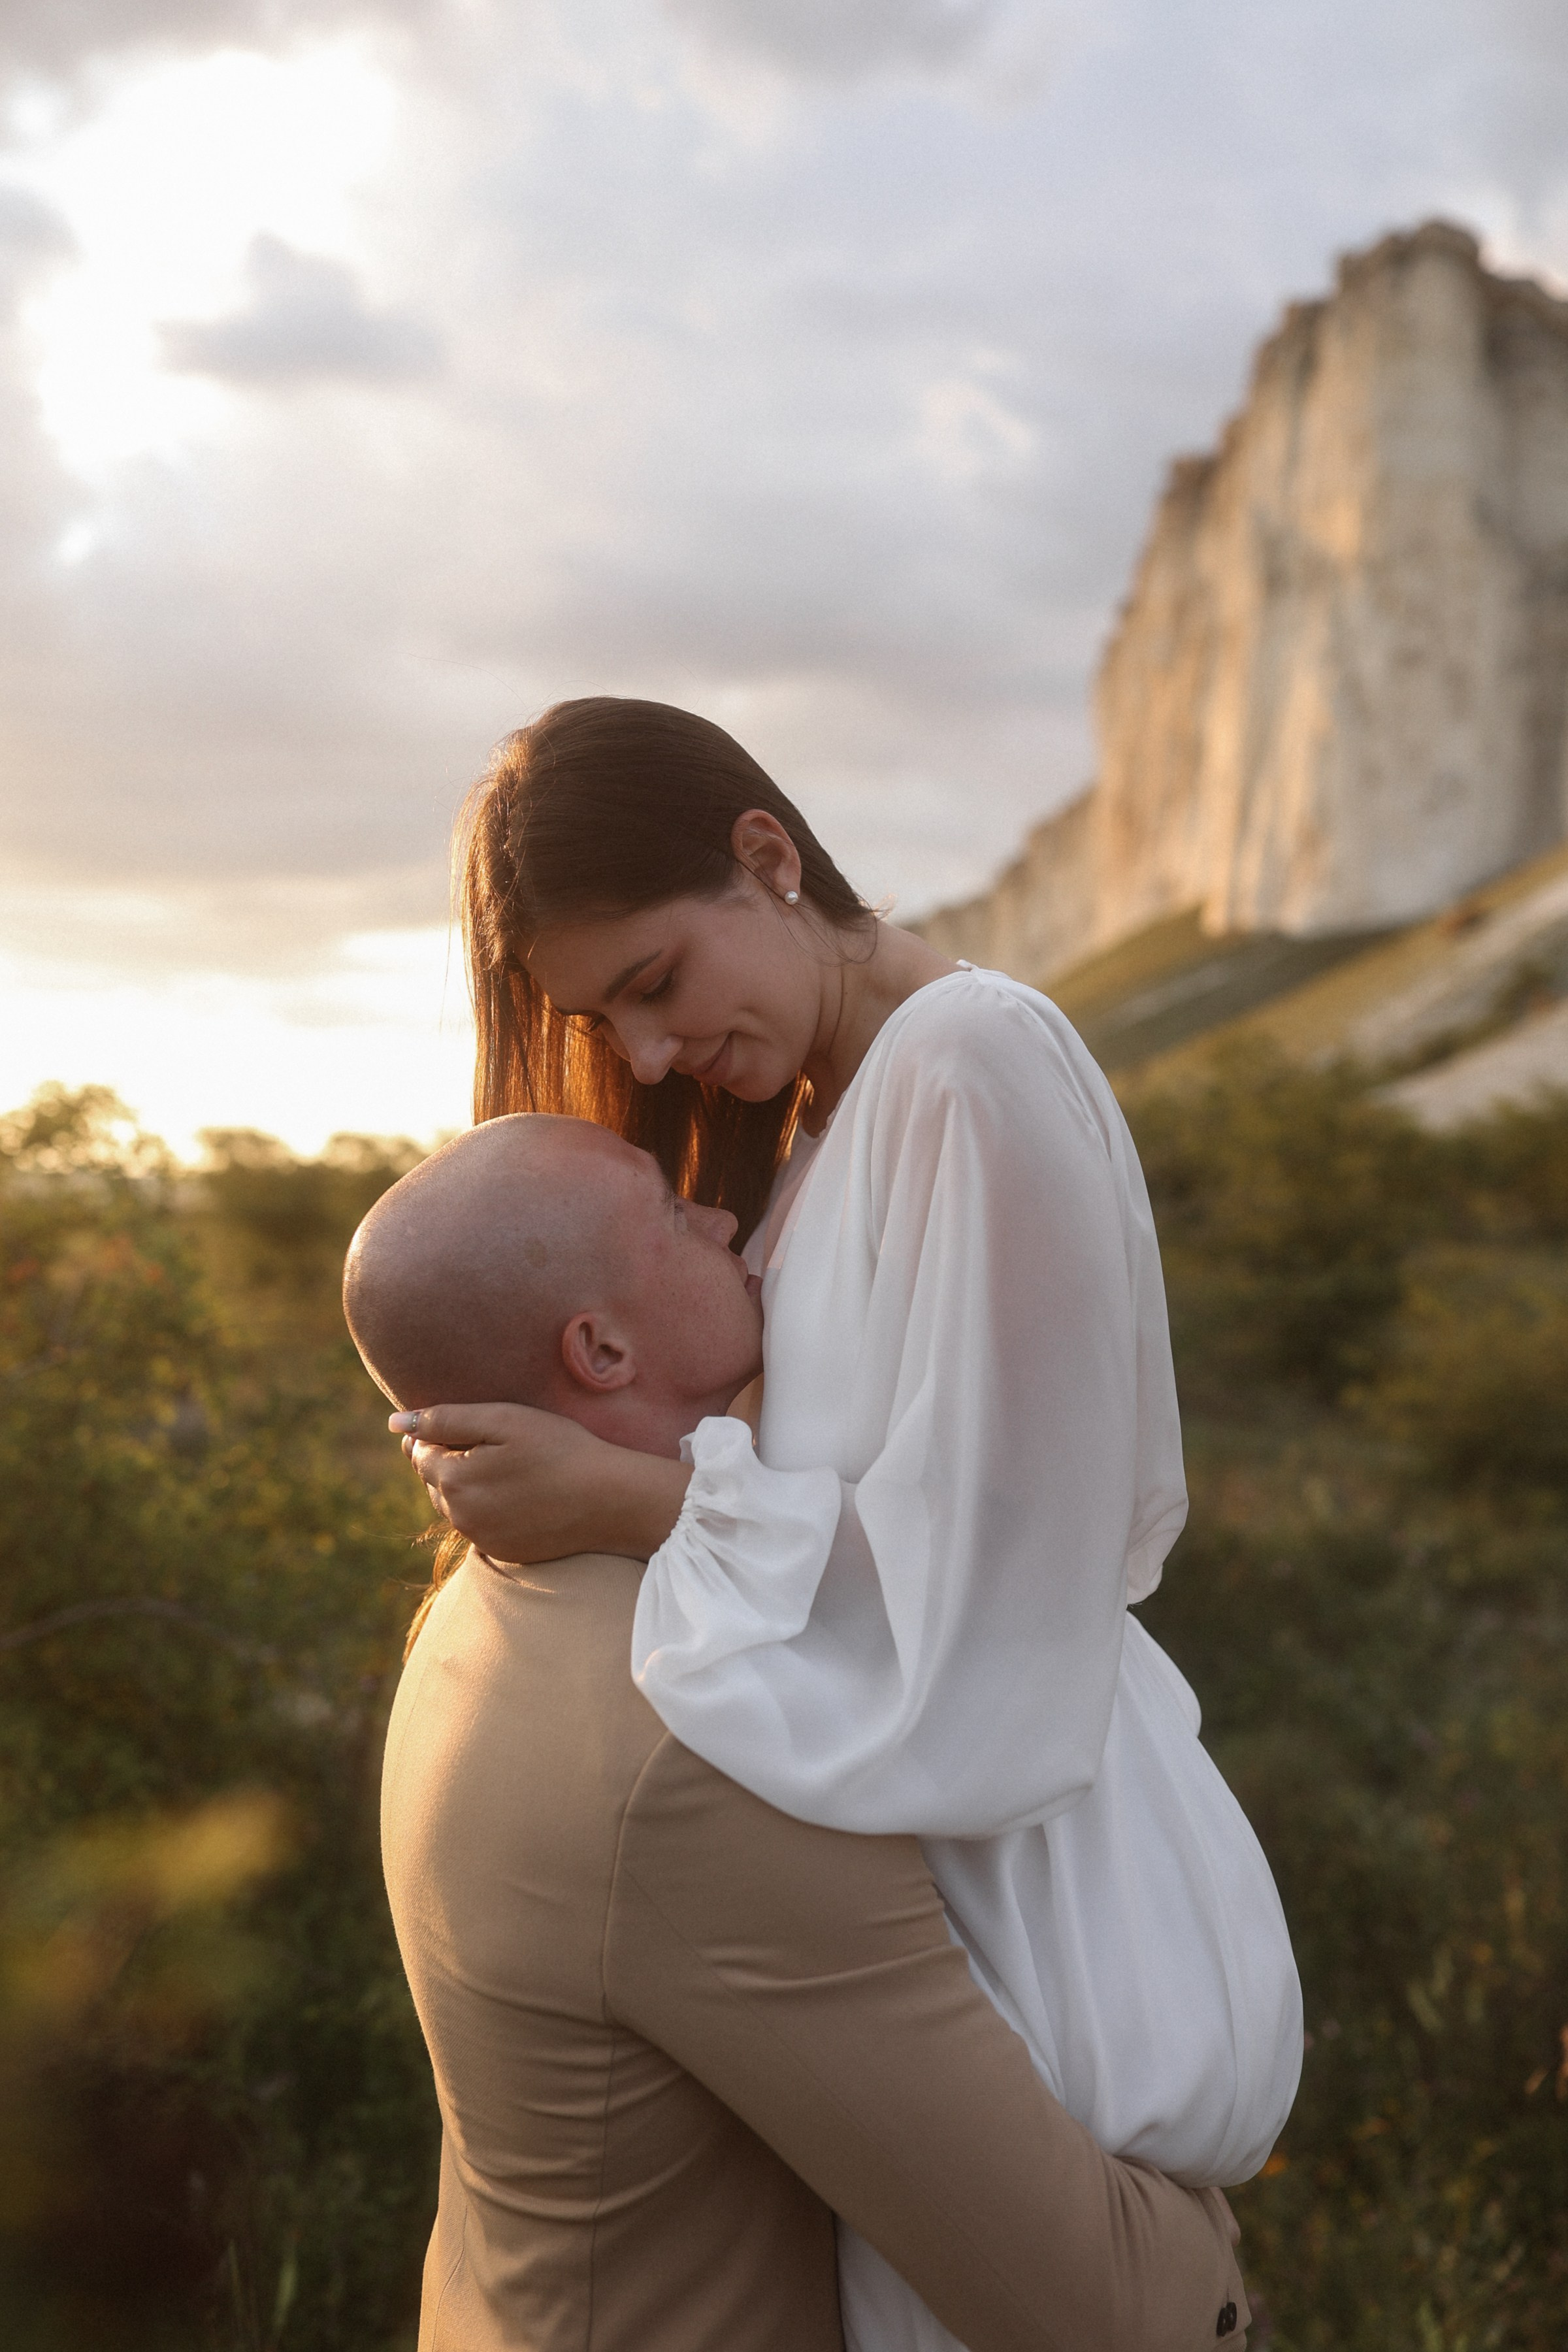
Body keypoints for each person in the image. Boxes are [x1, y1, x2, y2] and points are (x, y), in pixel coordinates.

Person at [399, 698, 1302, 2349]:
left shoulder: (972, 1061)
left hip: (1017, 1863)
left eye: (657, 985)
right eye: (614, 1021)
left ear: (769, 857)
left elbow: (1002, 1580)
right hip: (909, 1881)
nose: (654, 1060)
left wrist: (634, 1497)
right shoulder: (829, 1107)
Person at [346, 1113, 1251, 2352]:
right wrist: (1221, 2262)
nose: (725, 1221)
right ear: (600, 1348)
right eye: (672, 1215)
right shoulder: (695, 1738)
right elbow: (1092, 2308)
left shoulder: (494, 1601)